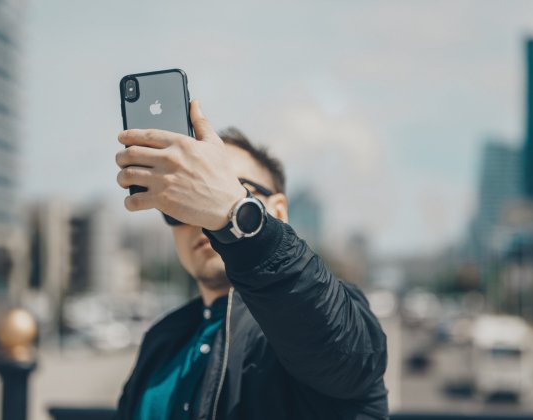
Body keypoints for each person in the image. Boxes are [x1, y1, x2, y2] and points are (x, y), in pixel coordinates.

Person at [114, 100, 389, 420]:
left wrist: (234, 216)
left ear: (279, 212)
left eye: (231, 189)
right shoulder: (161, 340)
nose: (199, 217)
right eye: (182, 201)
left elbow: (345, 355)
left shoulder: (324, 317)